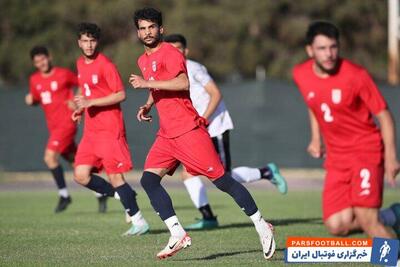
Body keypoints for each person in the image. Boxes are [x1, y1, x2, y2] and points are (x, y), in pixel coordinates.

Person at [130, 7, 275, 260]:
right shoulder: (143, 60)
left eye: (151, 27)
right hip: (166, 135)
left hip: (188, 131)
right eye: (142, 28)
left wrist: (146, 84)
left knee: (222, 181)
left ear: (160, 29)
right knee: (148, 181)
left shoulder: (171, 52)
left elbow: (182, 83)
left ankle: (262, 224)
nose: (147, 32)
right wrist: (148, 104)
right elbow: (158, 86)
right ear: (138, 32)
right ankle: (177, 233)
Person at [163, 34, 288, 230]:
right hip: (197, 129)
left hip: (214, 126)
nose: (174, 52)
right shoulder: (169, 72)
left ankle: (266, 172)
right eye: (170, 49)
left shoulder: (194, 68)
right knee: (188, 174)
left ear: (185, 51)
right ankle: (208, 217)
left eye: (178, 48)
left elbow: (215, 93)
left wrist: (204, 119)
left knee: (224, 177)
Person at [293, 21, 400, 239]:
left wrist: (390, 156)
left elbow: (384, 116)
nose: (329, 54)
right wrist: (316, 138)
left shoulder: (355, 75)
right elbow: (313, 104)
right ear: (310, 50)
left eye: (333, 47)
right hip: (337, 159)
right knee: (336, 225)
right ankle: (393, 216)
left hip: (366, 152)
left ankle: (392, 261)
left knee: (367, 220)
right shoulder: (300, 74)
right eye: (322, 48)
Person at [72, 22, 149, 236]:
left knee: (115, 177)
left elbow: (120, 94)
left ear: (97, 42)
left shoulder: (105, 64)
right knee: (80, 175)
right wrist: (80, 108)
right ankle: (124, 196)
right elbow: (84, 91)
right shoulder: (79, 63)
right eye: (85, 41)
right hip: (91, 131)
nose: (88, 45)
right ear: (79, 42)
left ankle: (139, 221)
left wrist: (91, 103)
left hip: (110, 129)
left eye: (92, 41)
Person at [25, 46, 108, 213]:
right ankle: (101, 192)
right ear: (34, 64)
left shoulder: (63, 74)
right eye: (37, 61)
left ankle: (64, 195)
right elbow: (34, 98)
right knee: (77, 164)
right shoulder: (34, 80)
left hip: (67, 124)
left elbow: (82, 83)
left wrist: (76, 101)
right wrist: (30, 100)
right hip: (53, 127)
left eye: (43, 59)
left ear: (49, 57)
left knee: (49, 158)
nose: (41, 63)